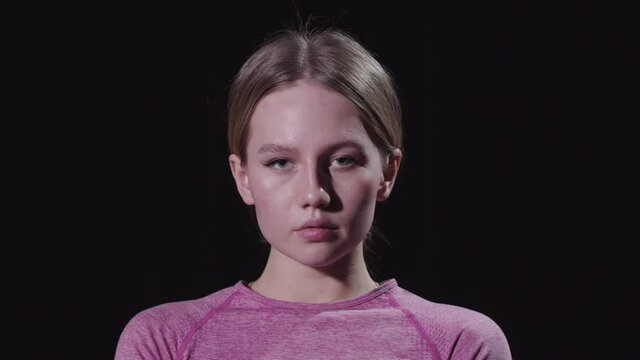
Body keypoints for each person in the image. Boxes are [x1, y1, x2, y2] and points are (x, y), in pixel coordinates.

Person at [115, 24, 512, 360]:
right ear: (243, 177)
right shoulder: (164, 341)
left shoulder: (459, 343)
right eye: (280, 162)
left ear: (387, 172)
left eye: (342, 160)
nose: (314, 194)